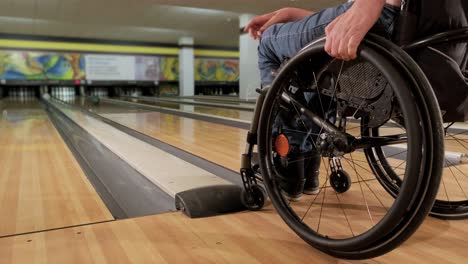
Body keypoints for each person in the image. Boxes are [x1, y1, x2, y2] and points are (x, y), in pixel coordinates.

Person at [244, 0, 402, 201]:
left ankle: (288, 156)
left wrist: (369, 4)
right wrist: (292, 12)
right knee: (317, 61)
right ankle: (308, 161)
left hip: (378, 13)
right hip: (393, 18)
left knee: (268, 40)